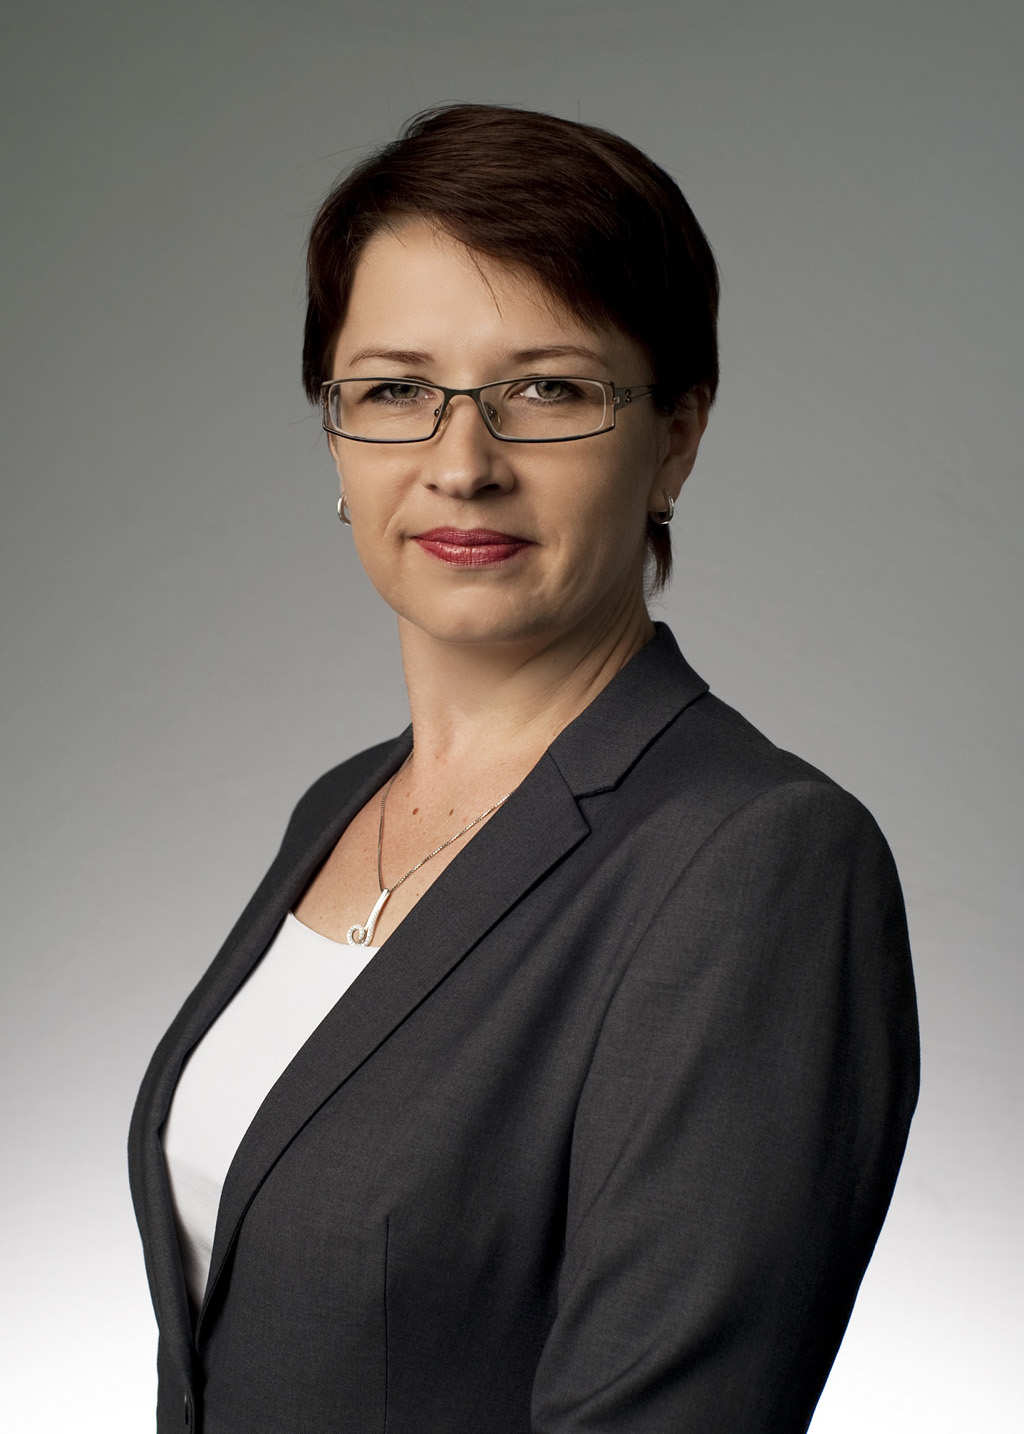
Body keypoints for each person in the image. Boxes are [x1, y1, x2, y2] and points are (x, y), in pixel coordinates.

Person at [129, 104, 919, 1434]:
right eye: (395, 390)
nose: (461, 465)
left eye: (548, 389)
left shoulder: (760, 862)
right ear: (335, 436)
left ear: (676, 436)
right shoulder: (341, 806)